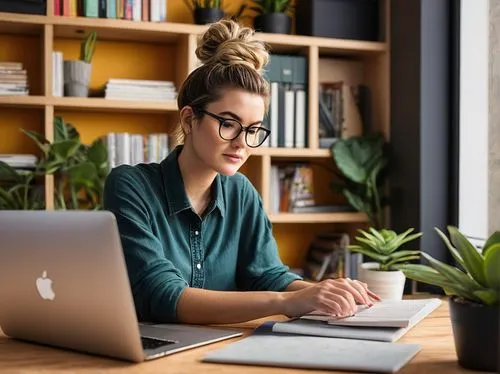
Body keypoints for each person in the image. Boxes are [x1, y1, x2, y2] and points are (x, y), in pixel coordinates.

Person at [103, 19, 380, 325]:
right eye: (228, 123)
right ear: (188, 120)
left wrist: (325, 292)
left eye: (253, 130)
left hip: (228, 347)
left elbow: (267, 274)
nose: (241, 144)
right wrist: (290, 300)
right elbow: (164, 294)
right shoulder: (130, 186)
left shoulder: (241, 191)